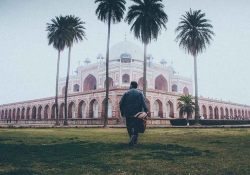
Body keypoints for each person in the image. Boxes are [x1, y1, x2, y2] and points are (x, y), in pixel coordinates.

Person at [119, 81, 148, 146]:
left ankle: (132, 136)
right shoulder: (140, 93)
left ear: (131, 85)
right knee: (136, 126)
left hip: (128, 112)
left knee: (129, 126)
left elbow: (121, 103)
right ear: (136, 86)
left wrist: (122, 112)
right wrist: (146, 111)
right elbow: (143, 102)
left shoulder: (126, 93)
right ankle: (135, 142)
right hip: (137, 113)